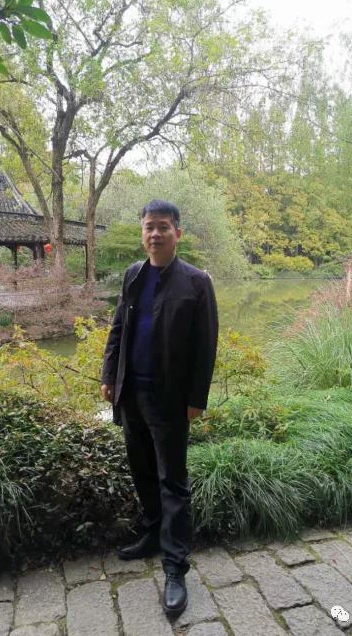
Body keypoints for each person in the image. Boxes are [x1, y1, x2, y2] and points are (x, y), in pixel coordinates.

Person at [101, 199, 218, 617]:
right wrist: (109, 375)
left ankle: (175, 568)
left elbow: (206, 345)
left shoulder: (197, 282)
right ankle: (153, 534)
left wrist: (196, 399)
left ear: (177, 233)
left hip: (169, 398)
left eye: (163, 227)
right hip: (131, 392)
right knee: (143, 471)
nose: (155, 234)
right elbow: (119, 328)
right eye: (149, 227)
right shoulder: (134, 274)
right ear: (142, 233)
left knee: (173, 482)